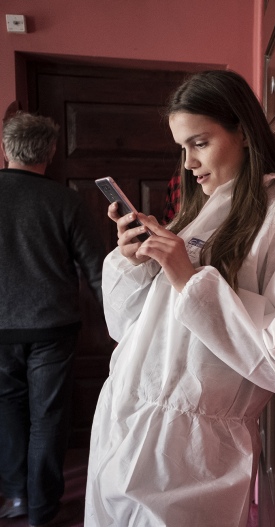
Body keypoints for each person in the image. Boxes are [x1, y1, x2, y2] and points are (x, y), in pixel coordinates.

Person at [84, 70, 275, 526]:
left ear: (243, 132)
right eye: (182, 147)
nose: (188, 162)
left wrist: (187, 277)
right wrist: (136, 261)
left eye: (200, 143)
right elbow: (126, 327)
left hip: (192, 451)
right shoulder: (200, 212)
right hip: (125, 418)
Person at [0, 112, 104, 526]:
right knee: (48, 416)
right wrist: (124, 324)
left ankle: (16, 497)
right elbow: (97, 270)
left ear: (5, 148)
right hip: (52, 327)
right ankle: (43, 509)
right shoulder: (66, 201)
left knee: (6, 407)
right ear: (52, 151)